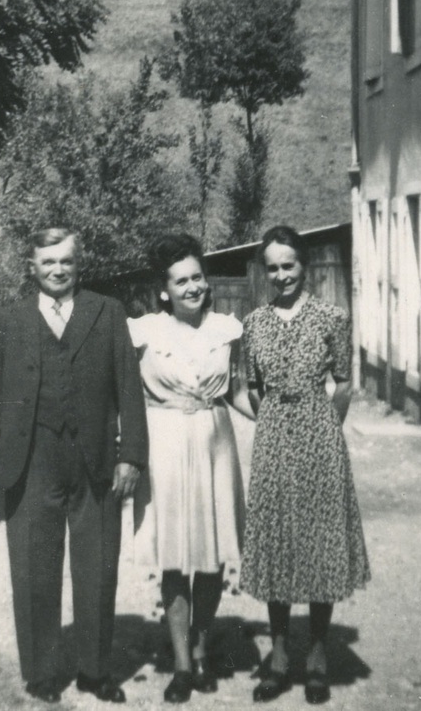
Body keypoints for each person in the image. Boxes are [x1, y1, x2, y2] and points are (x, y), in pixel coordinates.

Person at [0, 227, 148, 705]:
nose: (57, 270)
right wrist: (14, 438)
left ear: (79, 265)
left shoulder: (107, 311)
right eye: (47, 262)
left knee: (97, 568)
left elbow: (129, 389)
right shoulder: (11, 319)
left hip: (94, 461)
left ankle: (95, 672)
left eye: (66, 262)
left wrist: (131, 456)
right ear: (32, 267)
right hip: (32, 461)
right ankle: (41, 674)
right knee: (34, 570)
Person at [240, 225, 370, 706]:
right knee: (277, 542)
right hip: (273, 440)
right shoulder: (254, 322)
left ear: (304, 266)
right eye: (272, 268)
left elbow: (343, 383)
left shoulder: (331, 317)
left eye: (288, 265)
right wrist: (277, 421)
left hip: (320, 439)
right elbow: (252, 386)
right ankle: (277, 653)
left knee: (318, 541)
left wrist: (321, 429)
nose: (280, 275)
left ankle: (316, 651)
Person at [128, 233, 252, 704]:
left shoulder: (227, 328)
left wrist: (283, 419)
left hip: (216, 442)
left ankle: (202, 647)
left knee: (214, 555)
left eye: (198, 277)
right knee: (176, 556)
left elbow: (237, 393)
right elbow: (124, 395)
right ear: (165, 290)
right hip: (165, 445)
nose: (192, 287)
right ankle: (181, 663)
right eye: (181, 281)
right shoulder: (142, 332)